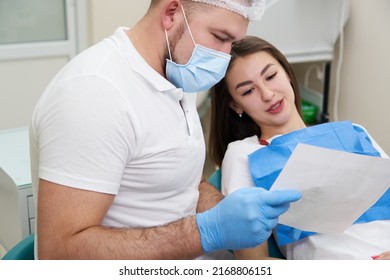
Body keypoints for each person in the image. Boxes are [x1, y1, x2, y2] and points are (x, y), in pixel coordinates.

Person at [29, 0, 302, 260]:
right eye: (219, 37)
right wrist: (206, 231)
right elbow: (59, 253)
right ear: (171, 12)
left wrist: (232, 212)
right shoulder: (94, 93)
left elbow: (183, 182)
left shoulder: (177, 74)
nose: (223, 58)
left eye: (231, 44)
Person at [208, 35, 390, 260]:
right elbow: (252, 262)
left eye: (271, 76)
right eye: (248, 91)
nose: (267, 94)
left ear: (287, 72)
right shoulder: (244, 154)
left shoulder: (355, 131)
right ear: (236, 105)